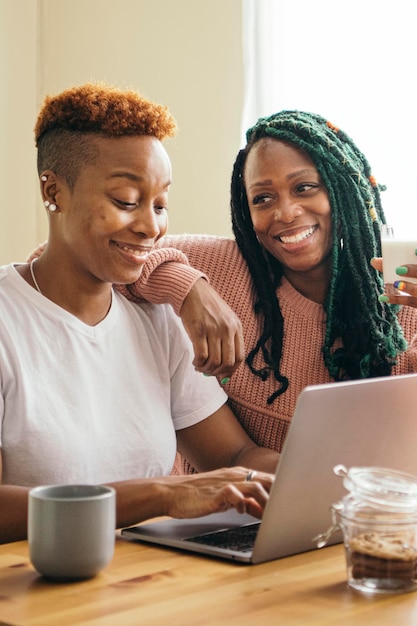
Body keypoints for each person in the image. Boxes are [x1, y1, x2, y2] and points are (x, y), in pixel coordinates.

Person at [0, 83, 279, 544]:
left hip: (148, 587)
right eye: (126, 201)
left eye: (161, 204)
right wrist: (162, 493)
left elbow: (234, 453)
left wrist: (348, 481)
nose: (151, 226)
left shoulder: (157, 321)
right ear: (54, 191)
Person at [113, 110, 417, 473]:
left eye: (304, 188)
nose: (285, 212)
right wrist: (190, 288)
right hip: (224, 517)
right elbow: (80, 260)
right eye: (263, 198)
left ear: (342, 190)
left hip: (370, 516)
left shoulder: (399, 291)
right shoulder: (226, 267)